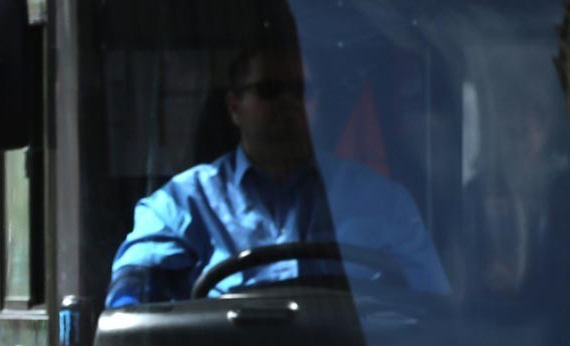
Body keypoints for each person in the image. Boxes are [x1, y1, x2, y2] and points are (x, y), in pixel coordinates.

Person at [106, 41, 450, 308]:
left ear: (318, 103)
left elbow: (434, 312)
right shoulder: (181, 203)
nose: (288, 103)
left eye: (302, 91)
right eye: (269, 90)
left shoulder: (383, 202)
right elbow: (130, 307)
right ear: (235, 107)